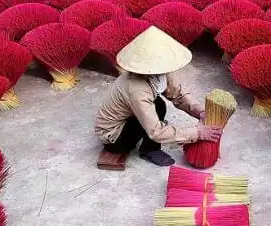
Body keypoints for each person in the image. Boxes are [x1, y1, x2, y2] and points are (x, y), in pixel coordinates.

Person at [94, 26, 223, 170]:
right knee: (156, 111)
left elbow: (178, 94)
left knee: (158, 104)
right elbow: (156, 132)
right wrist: (197, 133)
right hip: (114, 136)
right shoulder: (136, 88)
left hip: (130, 116)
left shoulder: (161, 71)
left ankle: (149, 146)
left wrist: (199, 112)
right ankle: (150, 150)